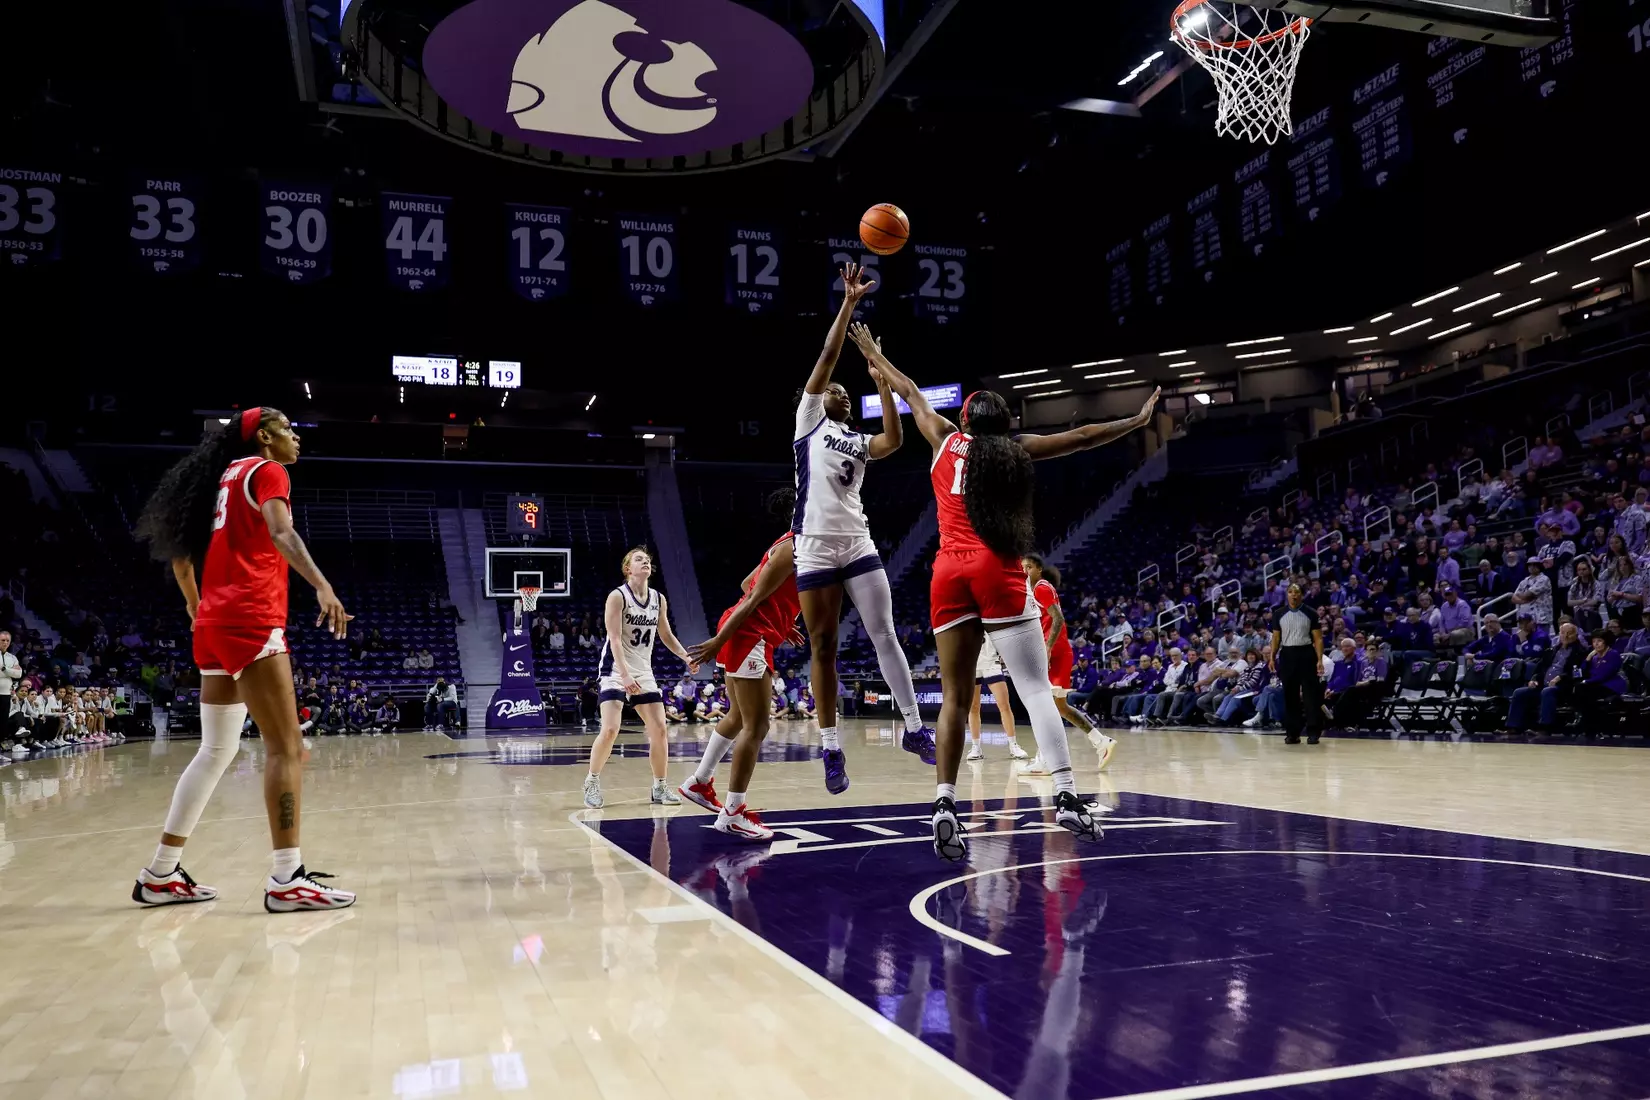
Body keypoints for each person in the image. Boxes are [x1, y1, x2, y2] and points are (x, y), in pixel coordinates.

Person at [850, 321, 1157, 860]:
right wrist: (1135, 420)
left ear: (964, 419)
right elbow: (1083, 437)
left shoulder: (943, 439)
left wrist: (874, 352)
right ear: (1005, 423)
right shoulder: (1015, 451)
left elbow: (911, 393)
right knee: (1036, 690)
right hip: (997, 568)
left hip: (947, 572)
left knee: (954, 697)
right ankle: (1064, 793)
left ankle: (944, 803)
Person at [130, 406, 356, 912]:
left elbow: (182, 557)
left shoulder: (217, 481)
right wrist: (323, 586)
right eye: (291, 430)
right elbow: (282, 533)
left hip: (213, 626)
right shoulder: (266, 469)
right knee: (286, 748)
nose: (298, 438)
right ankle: (286, 878)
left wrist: (196, 606)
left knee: (215, 751)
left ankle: (161, 874)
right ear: (268, 436)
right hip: (250, 621)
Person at [789, 264, 935, 797]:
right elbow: (828, 358)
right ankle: (830, 745)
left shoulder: (853, 438)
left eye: (848, 394)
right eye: (836, 390)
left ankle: (916, 729)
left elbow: (894, 443)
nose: (841, 393)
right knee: (823, 645)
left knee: (884, 633)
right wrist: (849, 304)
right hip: (815, 545)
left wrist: (885, 390)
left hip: (857, 540)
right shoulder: (809, 421)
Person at [681, 492, 805, 838]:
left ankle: (699, 782)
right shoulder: (795, 547)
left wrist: (783, 620)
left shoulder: (785, 543)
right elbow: (750, 597)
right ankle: (733, 812)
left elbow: (747, 582)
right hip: (748, 634)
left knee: (737, 717)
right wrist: (718, 642)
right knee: (758, 725)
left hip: (747, 633)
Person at [583, 547, 698, 808]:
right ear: (627, 569)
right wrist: (624, 675)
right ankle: (591, 780)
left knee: (659, 729)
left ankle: (659, 786)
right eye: (638, 559)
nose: (645, 562)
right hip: (615, 668)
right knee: (611, 728)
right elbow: (613, 638)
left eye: (647, 560)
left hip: (644, 670)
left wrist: (685, 657)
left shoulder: (658, 599)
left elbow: (666, 634)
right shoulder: (617, 596)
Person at [1023, 554, 1117, 768]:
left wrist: (1046, 648)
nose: (1025, 572)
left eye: (1029, 567)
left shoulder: (1041, 588)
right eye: (1023, 568)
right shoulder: (1041, 588)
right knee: (1061, 708)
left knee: (1042, 707)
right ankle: (1101, 741)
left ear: (1039, 569)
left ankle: (1044, 760)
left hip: (1054, 653)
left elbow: (1058, 619)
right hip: (1059, 651)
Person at [1270, 583, 1324, 745]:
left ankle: (1313, 732)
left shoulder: (1311, 613)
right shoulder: (1278, 614)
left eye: (1297, 592)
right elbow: (1276, 638)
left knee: (1310, 696)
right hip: (1287, 654)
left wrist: (1320, 659)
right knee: (1290, 696)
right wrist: (1272, 657)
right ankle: (1293, 733)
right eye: (1291, 592)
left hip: (1306, 653)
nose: (1294, 595)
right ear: (1287, 594)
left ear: (1301, 595)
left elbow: (1318, 638)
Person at [1505, 621, 1582, 732]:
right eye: (1563, 632)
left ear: (1575, 635)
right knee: (1519, 692)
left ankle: (1544, 728)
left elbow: (1577, 672)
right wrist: (1534, 680)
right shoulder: (1551, 651)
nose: (1565, 636)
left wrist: (1560, 677)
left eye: (1569, 633)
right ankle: (1513, 727)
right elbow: (1539, 670)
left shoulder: (1580, 652)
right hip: (1543, 686)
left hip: (1563, 687)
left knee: (1547, 691)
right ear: (1559, 634)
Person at [965, 631, 1029, 762]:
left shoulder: (989, 614)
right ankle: (976, 747)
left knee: (1004, 705)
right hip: (970, 662)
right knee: (973, 707)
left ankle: (1013, 745)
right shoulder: (965, 617)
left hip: (991, 662)